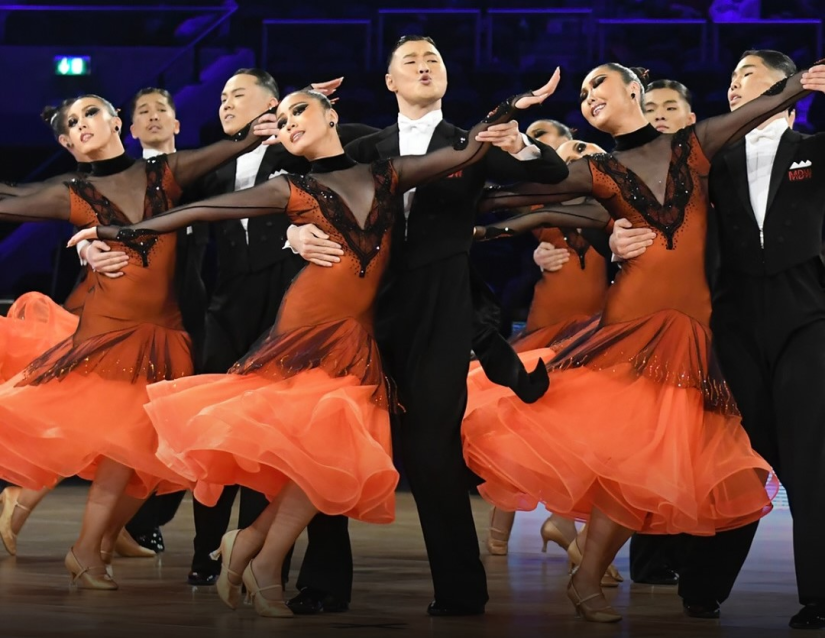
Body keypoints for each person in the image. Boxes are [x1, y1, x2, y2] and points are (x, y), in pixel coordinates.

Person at [68, 79, 560, 617]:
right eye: (281, 122)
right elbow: (206, 209)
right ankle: (261, 555)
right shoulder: (291, 188)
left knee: (328, 449)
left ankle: (255, 544)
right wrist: (121, 233)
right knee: (322, 445)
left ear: (331, 117)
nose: (288, 124)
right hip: (310, 325)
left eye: (299, 111)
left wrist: (508, 107)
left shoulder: (385, 171)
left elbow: (465, 153)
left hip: (361, 329)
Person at [461, 58, 825, 623]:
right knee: (632, 455)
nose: (587, 95)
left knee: (646, 459)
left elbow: (763, 108)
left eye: (598, 83)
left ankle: (593, 572)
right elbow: (523, 198)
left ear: (636, 90)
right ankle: (599, 575)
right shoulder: (600, 169)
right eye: (583, 92)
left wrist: (802, 81)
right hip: (640, 322)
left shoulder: (695, 147)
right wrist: (510, 141)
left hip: (704, 326)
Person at [286, 35, 568, 616]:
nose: (423, 66)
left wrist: (518, 142)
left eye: (433, 59)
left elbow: (552, 170)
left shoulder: (470, 143)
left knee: (432, 447)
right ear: (390, 81)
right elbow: (295, 189)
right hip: (362, 306)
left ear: (446, 76)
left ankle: (461, 590)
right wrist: (294, 234)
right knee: (333, 438)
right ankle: (323, 584)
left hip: (441, 306)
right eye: (410, 61)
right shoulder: (363, 146)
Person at [0, 91, 277, 589]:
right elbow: (9, 200)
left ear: (116, 122)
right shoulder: (71, 192)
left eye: (91, 112)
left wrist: (284, 110)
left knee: (147, 456)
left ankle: (97, 545)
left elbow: (236, 144)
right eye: (72, 123)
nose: (83, 124)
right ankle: (85, 548)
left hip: (166, 332)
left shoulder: (163, 173)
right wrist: (88, 247)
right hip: (111, 330)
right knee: (119, 445)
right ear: (67, 142)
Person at [610, 50, 825, 630]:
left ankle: (818, 597)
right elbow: (647, 201)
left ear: (786, 86)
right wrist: (615, 236)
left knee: (808, 456)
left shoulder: (815, 148)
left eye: (747, 75)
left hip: (807, 317)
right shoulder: (710, 161)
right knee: (737, 457)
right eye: (730, 78)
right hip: (732, 322)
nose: (734, 86)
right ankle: (703, 584)